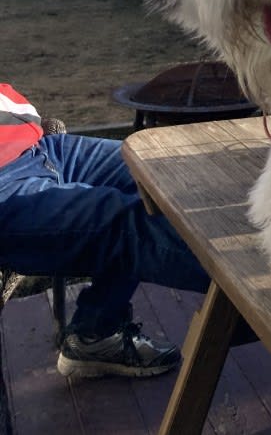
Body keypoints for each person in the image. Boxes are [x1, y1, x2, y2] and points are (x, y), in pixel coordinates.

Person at [0, 82, 210, 379]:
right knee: (133, 223)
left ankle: (96, 331)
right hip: (6, 184)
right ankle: (268, 290)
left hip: (42, 147)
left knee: (164, 174)